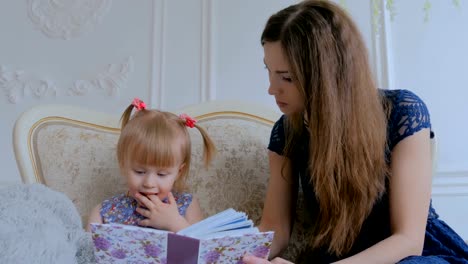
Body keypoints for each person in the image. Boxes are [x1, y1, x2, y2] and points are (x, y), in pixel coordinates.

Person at [243, 1, 468, 263]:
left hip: (410, 257)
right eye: (268, 71)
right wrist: (227, 253)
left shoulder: (402, 113)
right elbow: (276, 229)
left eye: (287, 77)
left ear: (327, 74)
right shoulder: (286, 132)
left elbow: (408, 239)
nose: (272, 89)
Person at [86, 98, 215, 232]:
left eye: (161, 174)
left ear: (179, 172)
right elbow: (86, 251)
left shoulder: (187, 206)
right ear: (123, 165)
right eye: (139, 171)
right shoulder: (104, 212)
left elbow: (204, 249)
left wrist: (175, 223)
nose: (149, 183)